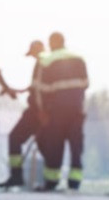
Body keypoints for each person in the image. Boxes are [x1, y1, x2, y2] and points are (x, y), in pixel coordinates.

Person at [32, 31, 89, 191]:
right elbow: (85, 84)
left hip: (56, 111)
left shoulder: (47, 61)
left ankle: (52, 181)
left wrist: (42, 111)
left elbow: (40, 90)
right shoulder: (79, 58)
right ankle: (74, 182)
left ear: (51, 43)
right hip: (77, 109)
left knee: (54, 145)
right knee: (76, 146)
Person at [0, 40, 47, 189]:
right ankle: (47, 180)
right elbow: (34, 88)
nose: (32, 57)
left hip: (37, 111)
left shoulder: (42, 64)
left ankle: (17, 175)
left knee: (15, 138)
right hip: (39, 111)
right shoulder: (43, 65)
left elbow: (39, 91)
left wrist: (41, 111)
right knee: (44, 145)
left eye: (33, 54)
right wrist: (16, 90)